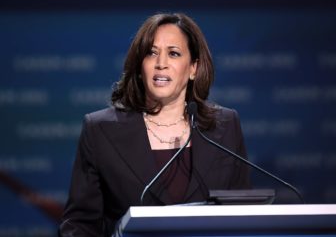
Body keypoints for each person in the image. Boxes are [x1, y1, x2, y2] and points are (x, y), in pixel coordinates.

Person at [59, 13, 251, 237]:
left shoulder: (225, 126)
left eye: (174, 54)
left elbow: (244, 214)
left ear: (193, 68)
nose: (161, 64)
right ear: (141, 67)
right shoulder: (100, 130)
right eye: (152, 53)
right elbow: (79, 225)